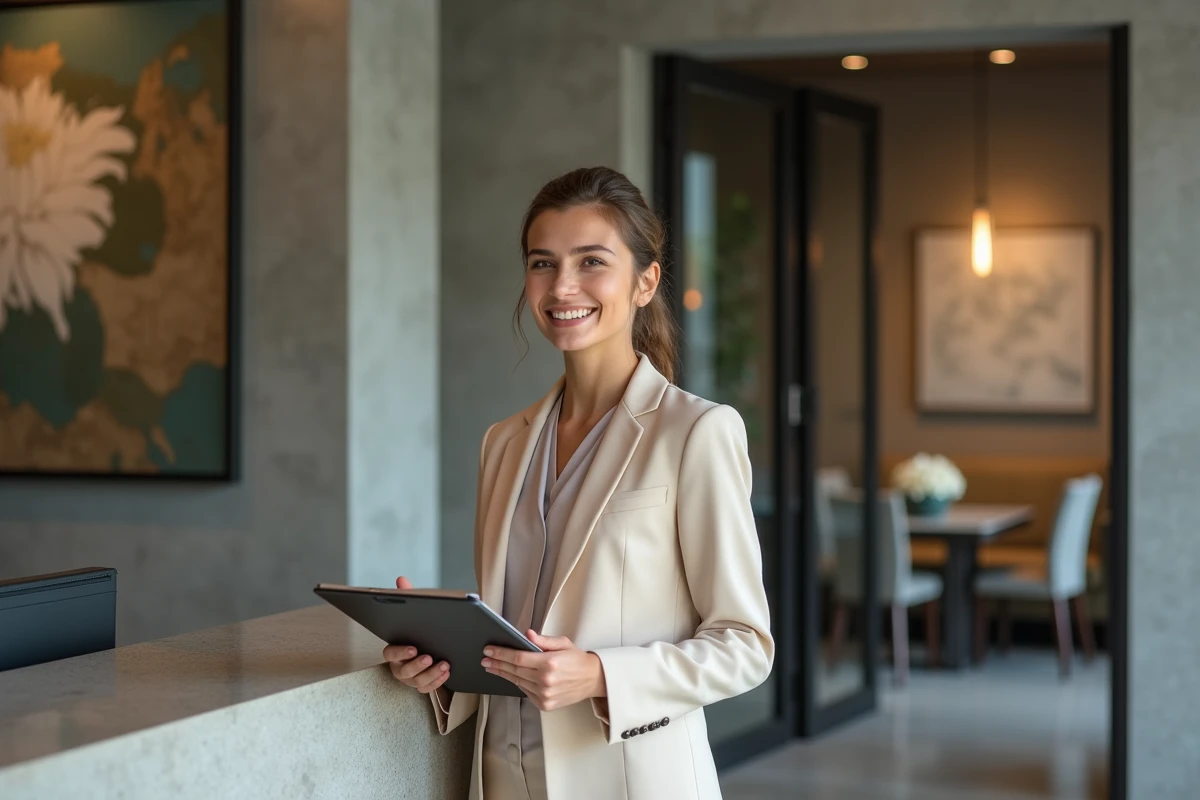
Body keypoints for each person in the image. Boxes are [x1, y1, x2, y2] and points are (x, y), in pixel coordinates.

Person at [382, 166, 773, 799]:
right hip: (502, 782)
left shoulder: (697, 432)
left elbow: (744, 646)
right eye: (543, 263)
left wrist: (597, 675)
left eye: (592, 261)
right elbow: (515, 632)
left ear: (645, 282)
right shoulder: (504, 442)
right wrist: (443, 664)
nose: (562, 285)